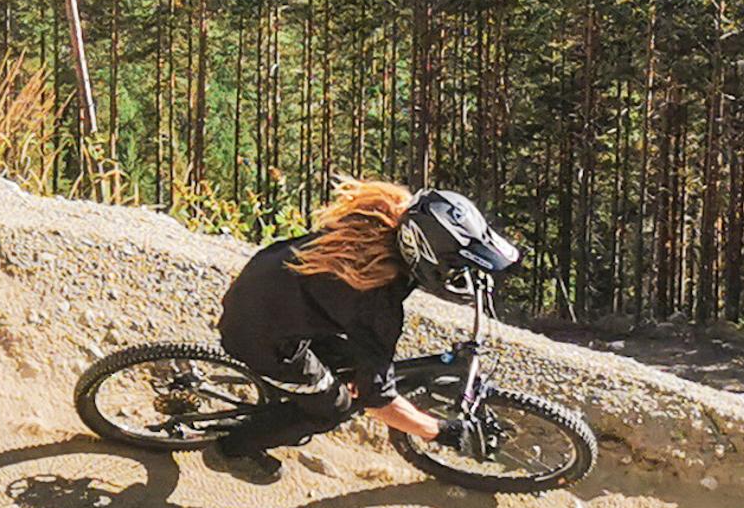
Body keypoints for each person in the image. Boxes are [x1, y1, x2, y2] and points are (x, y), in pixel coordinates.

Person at [207, 177, 522, 480]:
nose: (457, 277)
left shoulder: (387, 217)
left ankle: (290, 398)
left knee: (347, 370)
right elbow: (378, 400)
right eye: (453, 269)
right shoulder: (376, 299)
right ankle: (233, 449)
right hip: (260, 335)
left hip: (264, 288)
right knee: (334, 407)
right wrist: (437, 430)